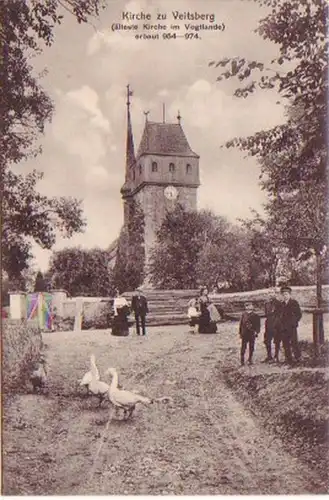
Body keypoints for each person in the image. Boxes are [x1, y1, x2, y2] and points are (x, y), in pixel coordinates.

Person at [279, 285, 302, 365]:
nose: (285, 296)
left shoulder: (294, 303)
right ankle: (289, 359)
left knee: (294, 342)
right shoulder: (281, 304)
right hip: (283, 327)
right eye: (283, 294)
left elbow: (299, 314)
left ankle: (298, 357)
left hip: (292, 326)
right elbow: (279, 315)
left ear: (290, 294)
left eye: (286, 294)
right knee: (285, 343)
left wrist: (294, 322)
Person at [263, 288, 282, 362]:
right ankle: (269, 356)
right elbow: (266, 314)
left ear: (275, 294)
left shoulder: (279, 303)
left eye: (272, 292)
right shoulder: (266, 303)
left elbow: (280, 314)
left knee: (277, 340)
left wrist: (277, 323)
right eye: (269, 293)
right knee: (267, 340)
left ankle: (276, 356)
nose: (270, 294)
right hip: (268, 323)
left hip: (277, 324)